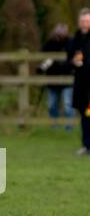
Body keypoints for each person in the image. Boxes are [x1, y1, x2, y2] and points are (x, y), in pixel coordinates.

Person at [38, 23, 74, 129]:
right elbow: (45, 58)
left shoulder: (70, 43)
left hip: (67, 79)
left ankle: (69, 126)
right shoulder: (50, 44)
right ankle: (54, 126)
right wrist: (42, 68)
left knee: (68, 104)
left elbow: (75, 58)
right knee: (52, 105)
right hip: (52, 80)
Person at [68, 8, 90, 157]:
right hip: (81, 84)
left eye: (88, 21)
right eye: (82, 21)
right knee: (84, 114)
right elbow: (69, 58)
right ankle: (86, 145)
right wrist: (73, 62)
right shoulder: (76, 38)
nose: (85, 24)